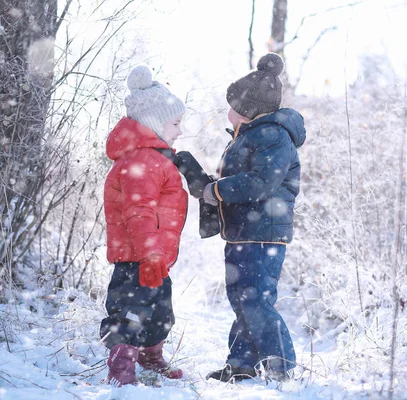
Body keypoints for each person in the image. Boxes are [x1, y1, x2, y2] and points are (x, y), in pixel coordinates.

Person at [203, 53, 306, 382]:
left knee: (255, 300)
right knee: (243, 299)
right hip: (243, 231)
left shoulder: (273, 136)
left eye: (232, 104)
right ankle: (243, 363)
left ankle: (282, 366)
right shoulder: (249, 135)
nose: (227, 109)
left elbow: (261, 182)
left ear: (248, 108)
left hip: (262, 233)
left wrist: (218, 191)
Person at [100, 65, 187, 386]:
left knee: (161, 313)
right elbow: (139, 213)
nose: (180, 131)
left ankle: (151, 356)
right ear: (154, 123)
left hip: (154, 258)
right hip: (137, 258)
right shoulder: (142, 162)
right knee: (130, 313)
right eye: (175, 123)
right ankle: (122, 366)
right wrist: (149, 254)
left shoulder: (155, 159)